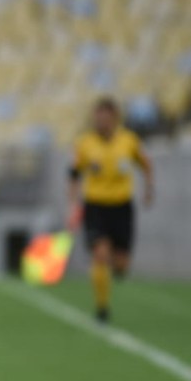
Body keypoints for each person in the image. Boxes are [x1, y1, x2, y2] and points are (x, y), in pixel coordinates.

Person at [67, 97, 154, 323]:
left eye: (106, 118)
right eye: (98, 117)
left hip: (122, 207)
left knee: (121, 264)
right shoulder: (84, 143)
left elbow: (146, 165)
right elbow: (74, 174)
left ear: (115, 119)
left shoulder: (129, 141)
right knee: (100, 255)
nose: (102, 122)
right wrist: (73, 204)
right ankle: (102, 308)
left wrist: (148, 190)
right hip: (96, 206)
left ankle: (118, 271)